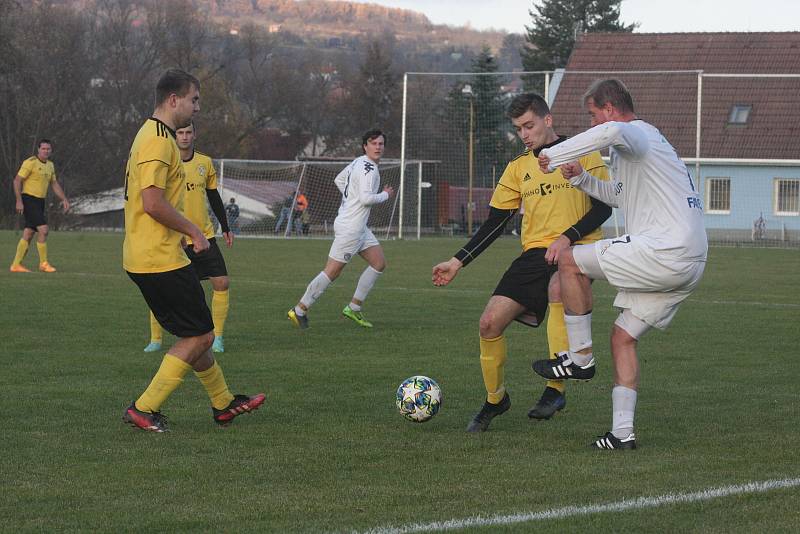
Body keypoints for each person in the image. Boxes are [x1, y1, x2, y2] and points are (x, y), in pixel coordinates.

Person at [533, 78, 707, 449]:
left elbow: (612, 131)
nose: (593, 124)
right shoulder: (640, 153)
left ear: (610, 109)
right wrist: (580, 178)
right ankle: (622, 434)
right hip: (690, 261)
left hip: (665, 250)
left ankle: (579, 358)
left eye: (593, 115)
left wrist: (556, 155)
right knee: (623, 337)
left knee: (568, 259)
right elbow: (619, 196)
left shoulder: (637, 134)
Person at [432, 93, 611, 432]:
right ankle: (495, 400)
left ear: (548, 120)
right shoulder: (518, 168)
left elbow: (603, 206)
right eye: (518, 129)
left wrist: (567, 237)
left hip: (578, 250)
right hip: (534, 254)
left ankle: (554, 390)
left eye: (529, 125)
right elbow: (495, 223)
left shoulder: (584, 150)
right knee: (488, 323)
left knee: (559, 287)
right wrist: (457, 262)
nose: (525, 134)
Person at [122, 68, 264, 432]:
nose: (197, 108)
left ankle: (223, 404)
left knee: (197, 331)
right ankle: (143, 407)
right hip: (158, 256)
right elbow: (152, 202)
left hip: (151, 254)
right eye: (194, 100)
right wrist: (193, 231)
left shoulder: (153, 135)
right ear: (174, 100)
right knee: (201, 335)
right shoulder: (157, 139)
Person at [287, 129, 395, 329]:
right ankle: (299, 309)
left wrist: (350, 199)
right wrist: (386, 195)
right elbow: (366, 199)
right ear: (365, 146)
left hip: (357, 226)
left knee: (378, 263)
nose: (378, 147)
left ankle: (353, 308)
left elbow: (339, 180)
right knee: (332, 272)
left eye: (381, 144)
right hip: (351, 228)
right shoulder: (369, 170)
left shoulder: (358, 162)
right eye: (374, 143)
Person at [144, 122, 234, 354]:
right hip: (173, 237)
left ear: (195, 134)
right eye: (180, 133)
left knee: (222, 282)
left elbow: (213, 196)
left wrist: (225, 225)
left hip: (204, 236)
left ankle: (218, 338)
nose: (184, 137)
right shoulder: (165, 161)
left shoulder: (205, 162)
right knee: (163, 289)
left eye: (188, 132)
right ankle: (155, 339)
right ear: (175, 136)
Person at [9, 139, 70, 273]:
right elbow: (17, 181)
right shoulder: (30, 162)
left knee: (29, 233)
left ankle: (15, 265)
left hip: (40, 202)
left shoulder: (50, 166)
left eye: (48, 149)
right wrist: (19, 201)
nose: (46, 151)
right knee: (43, 230)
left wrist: (64, 198)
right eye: (43, 149)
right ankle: (43, 263)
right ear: (38, 149)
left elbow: (54, 184)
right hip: (28, 199)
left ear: (51, 150)